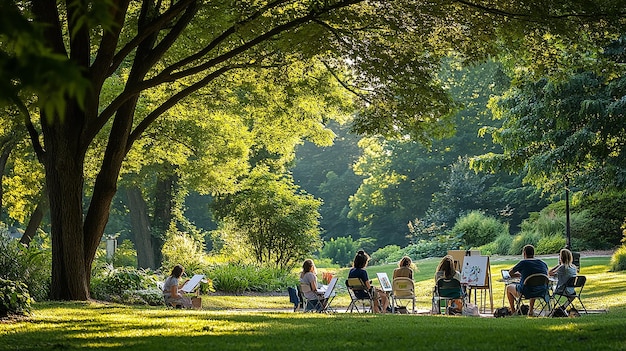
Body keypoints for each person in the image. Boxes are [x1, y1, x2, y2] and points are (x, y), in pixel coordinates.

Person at [506, 244, 549, 316]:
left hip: (526, 291)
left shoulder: (523, 263)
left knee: (508, 287)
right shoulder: (543, 263)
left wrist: (517, 275)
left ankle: (513, 311)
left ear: (524, 253)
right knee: (534, 285)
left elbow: (510, 273)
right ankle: (531, 311)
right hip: (541, 290)